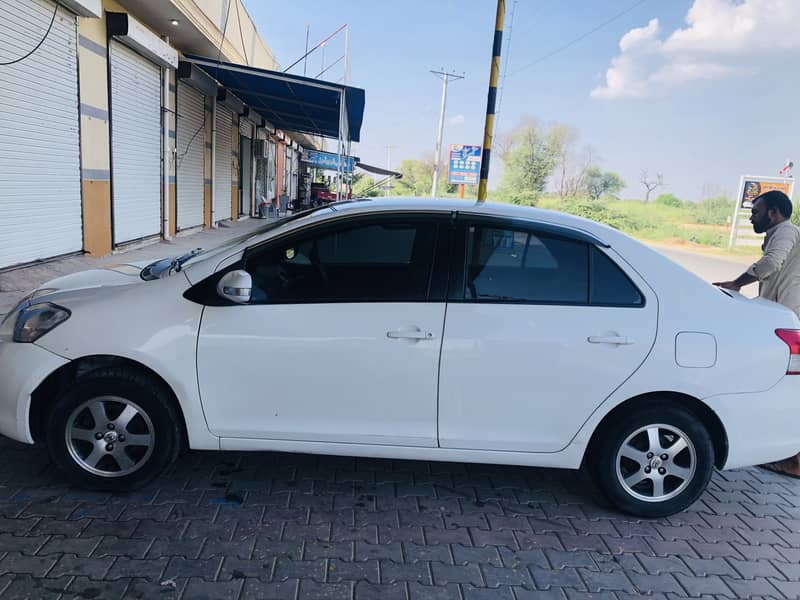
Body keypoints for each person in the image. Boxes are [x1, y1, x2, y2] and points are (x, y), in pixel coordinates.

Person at [714, 190, 800, 478]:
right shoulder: (781, 233)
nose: (752, 216)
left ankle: (795, 460)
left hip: (793, 323)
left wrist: (737, 283)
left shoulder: (785, 232)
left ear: (773, 213)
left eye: (756, 211)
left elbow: (772, 263)